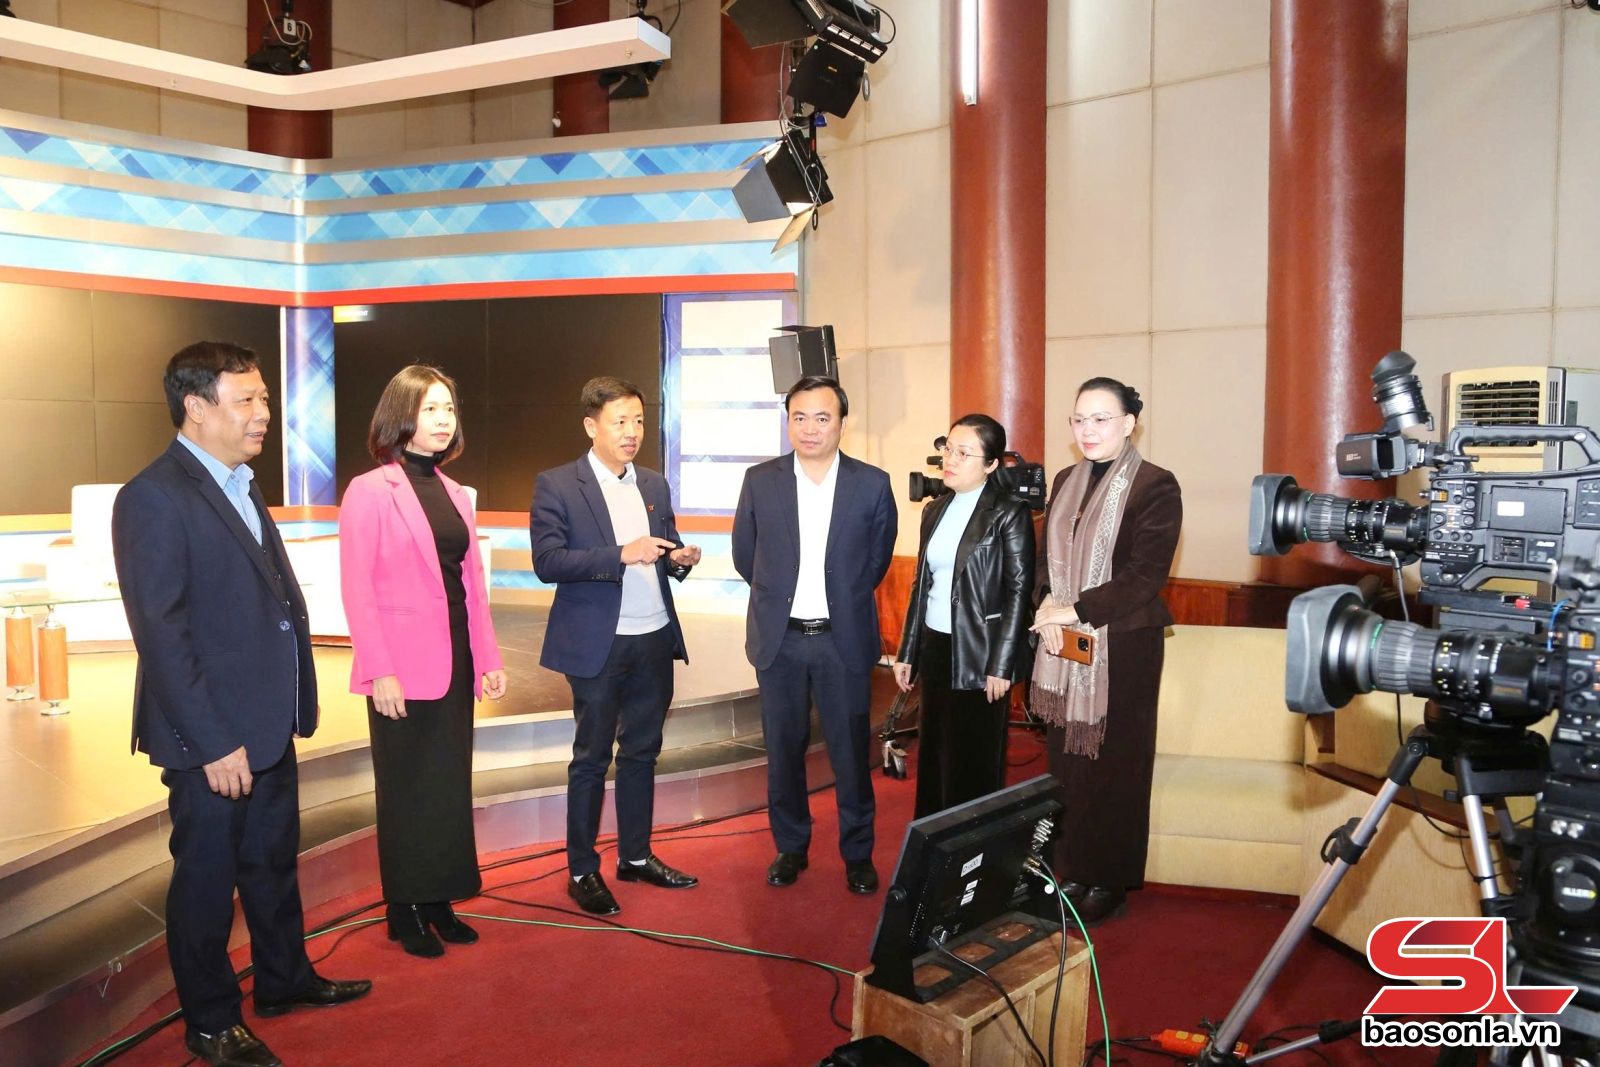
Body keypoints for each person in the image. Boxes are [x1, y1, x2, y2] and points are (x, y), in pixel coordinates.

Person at [111, 342, 370, 1067]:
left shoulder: (241, 484)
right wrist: (212, 740)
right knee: (206, 880)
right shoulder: (154, 496)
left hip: (266, 722)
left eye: (264, 398)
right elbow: (162, 634)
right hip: (213, 738)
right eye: (247, 399)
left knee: (271, 862)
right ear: (196, 406)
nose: (264, 414)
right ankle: (211, 1020)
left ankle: (284, 979)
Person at [339, 365, 508, 958]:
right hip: (400, 667)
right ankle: (404, 908)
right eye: (430, 408)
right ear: (401, 415)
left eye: (449, 409)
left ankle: (439, 899)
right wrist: (378, 668)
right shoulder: (369, 490)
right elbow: (357, 588)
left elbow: (472, 586)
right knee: (407, 786)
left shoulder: (456, 492)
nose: (443, 420)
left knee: (447, 784)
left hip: (455, 658)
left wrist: (487, 656)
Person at [531, 376, 702, 916]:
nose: (632, 432)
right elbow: (547, 562)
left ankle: (635, 856)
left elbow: (662, 550)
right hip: (598, 645)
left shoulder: (653, 483)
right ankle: (582, 870)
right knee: (591, 758)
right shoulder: (558, 484)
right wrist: (620, 553)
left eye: (639, 421)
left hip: (653, 637)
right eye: (620, 421)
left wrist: (679, 560)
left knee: (642, 752)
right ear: (591, 425)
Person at [732, 375, 898, 894]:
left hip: (840, 640)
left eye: (822, 417)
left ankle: (857, 853)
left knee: (850, 753)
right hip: (779, 641)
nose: (809, 428)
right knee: (783, 752)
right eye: (799, 417)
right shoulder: (761, 480)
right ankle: (790, 846)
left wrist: (840, 598)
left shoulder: (872, 483)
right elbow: (745, 555)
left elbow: (876, 560)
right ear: (788, 422)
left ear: (842, 423)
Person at [1029, 376, 1182, 926]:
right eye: (1079, 419)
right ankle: (1071, 866)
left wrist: (1072, 610)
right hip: (1064, 645)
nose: (1087, 430)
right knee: (1068, 763)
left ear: (1128, 424)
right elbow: (1045, 560)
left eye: (1100, 419)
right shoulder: (1065, 480)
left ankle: (1109, 880)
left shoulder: (1155, 485)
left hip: (1125, 648)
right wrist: (1047, 605)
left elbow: (1145, 575)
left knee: (1116, 766)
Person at [892, 414, 1035, 819]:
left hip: (981, 651)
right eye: (948, 449)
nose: (950, 460)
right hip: (936, 647)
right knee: (934, 754)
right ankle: (933, 842)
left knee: (973, 761)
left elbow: (1019, 592)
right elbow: (921, 585)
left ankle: (972, 848)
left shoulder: (1009, 512)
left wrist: (1002, 664)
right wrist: (908, 651)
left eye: (963, 453)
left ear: (991, 464)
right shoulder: (935, 510)